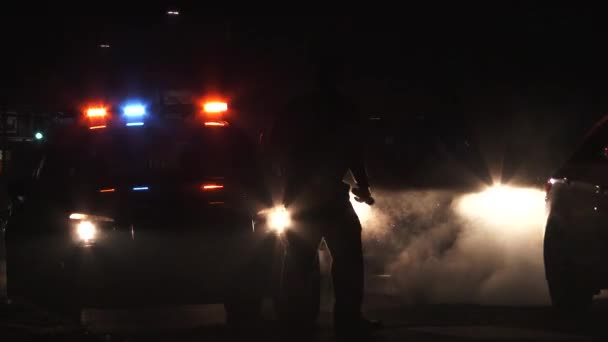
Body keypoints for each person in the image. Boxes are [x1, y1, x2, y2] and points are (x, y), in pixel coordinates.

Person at [268, 45, 381, 337]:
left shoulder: (295, 108)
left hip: (299, 197)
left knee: (298, 261)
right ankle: (347, 320)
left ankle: (296, 320)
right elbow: (354, 150)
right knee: (348, 262)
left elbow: (274, 147)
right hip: (331, 196)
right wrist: (363, 185)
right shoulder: (344, 108)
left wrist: (284, 181)